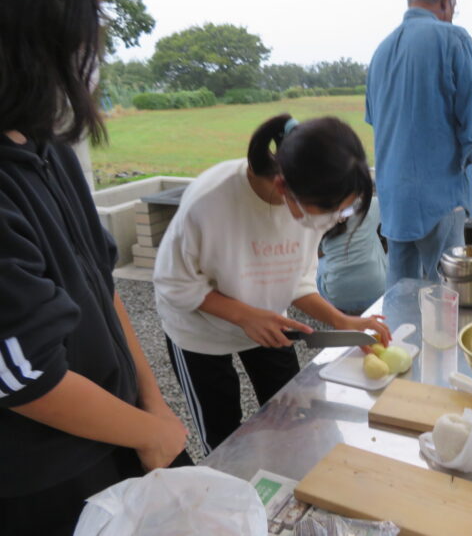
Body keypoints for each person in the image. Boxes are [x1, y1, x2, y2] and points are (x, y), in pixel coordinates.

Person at [0, 0, 188, 534]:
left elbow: (102, 288)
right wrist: (147, 429)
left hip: (114, 431)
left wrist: (151, 403)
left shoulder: (49, 149)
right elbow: (28, 377)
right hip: (45, 475)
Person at [153, 114, 391, 455]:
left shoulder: (312, 195)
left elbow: (297, 279)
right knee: (222, 440)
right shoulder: (211, 200)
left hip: (271, 323)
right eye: (326, 212)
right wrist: (244, 315)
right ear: (282, 188)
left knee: (296, 415)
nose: (330, 221)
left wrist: (342, 322)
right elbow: (172, 284)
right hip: (198, 331)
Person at [366, 0, 472, 287]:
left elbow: (378, 122)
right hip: (439, 199)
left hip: (394, 201)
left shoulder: (380, 52)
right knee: (447, 296)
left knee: (400, 297)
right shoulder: (453, 39)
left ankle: (395, 341)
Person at [317, 196, 388, 314]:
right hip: (378, 292)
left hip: (337, 297)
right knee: (381, 245)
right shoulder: (369, 205)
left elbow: (317, 253)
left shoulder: (319, 214)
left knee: (320, 263)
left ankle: (338, 308)